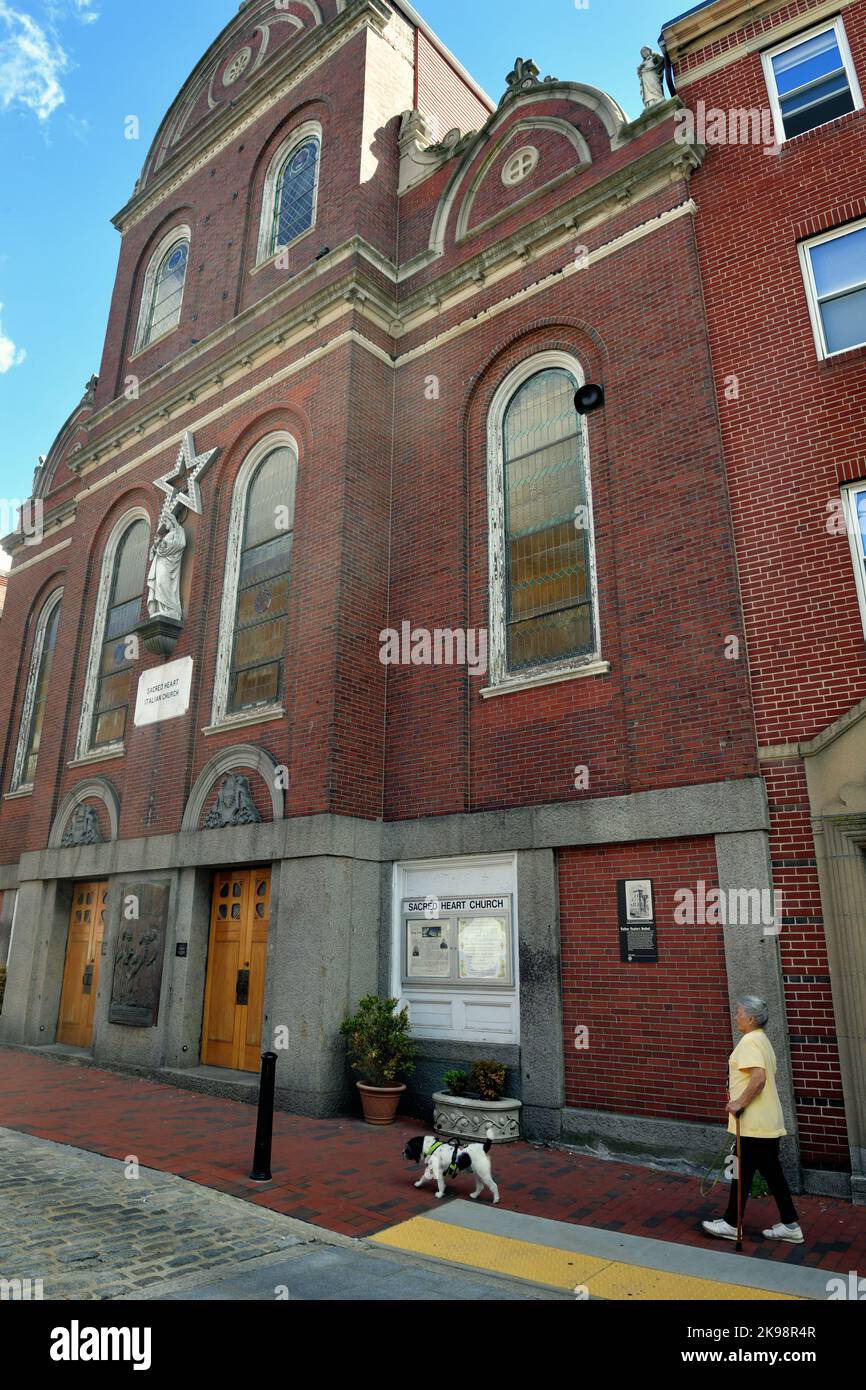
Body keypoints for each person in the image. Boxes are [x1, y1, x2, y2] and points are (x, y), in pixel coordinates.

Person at [703, 995, 803, 1244]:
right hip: (765, 1122)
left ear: (749, 1017)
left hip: (753, 1124)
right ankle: (788, 1224)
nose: (735, 1016)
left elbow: (758, 1078)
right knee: (762, 1172)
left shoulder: (749, 1041)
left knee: (741, 1172)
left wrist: (739, 1103)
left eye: (738, 1012)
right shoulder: (762, 1041)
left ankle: (731, 1223)